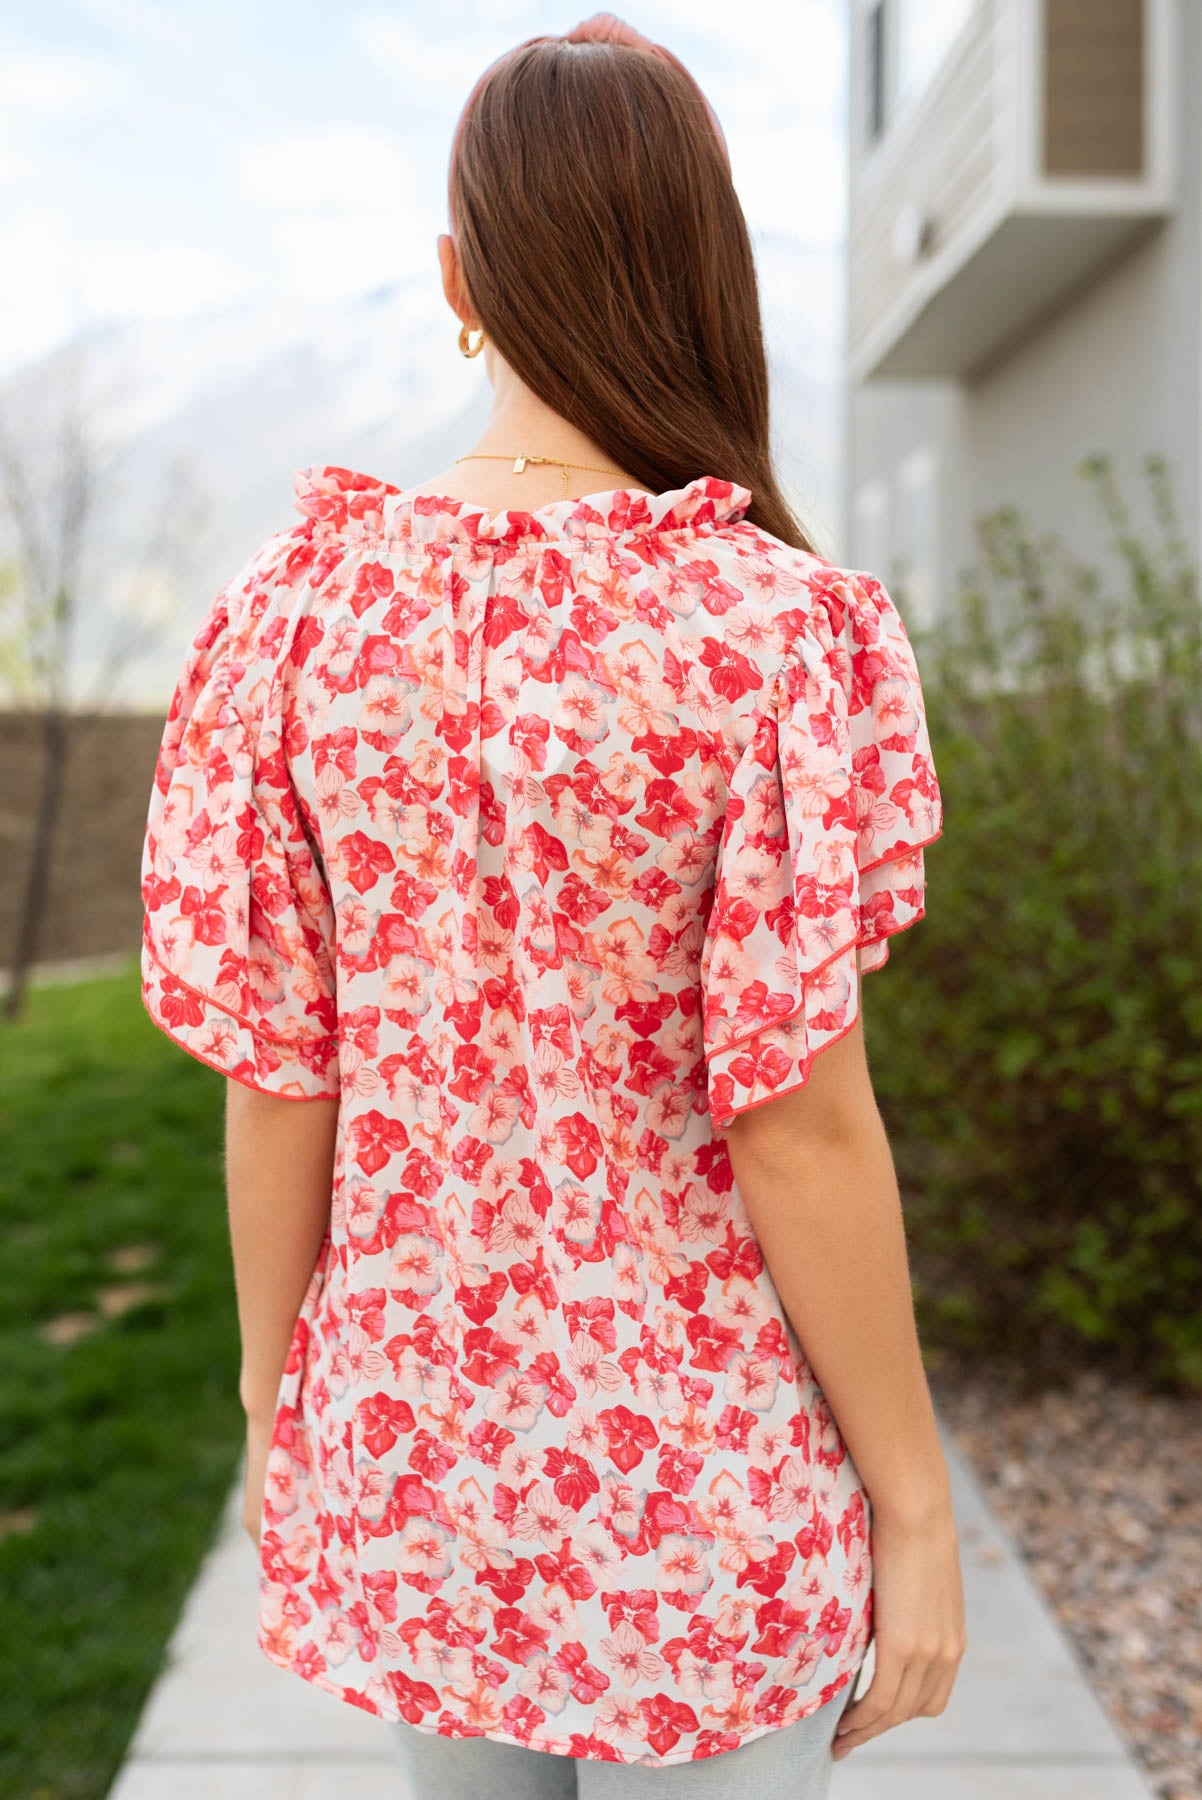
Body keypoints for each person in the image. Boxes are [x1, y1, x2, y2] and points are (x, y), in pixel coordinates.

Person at [139, 12, 965, 1797]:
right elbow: (800, 1126)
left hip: (417, 1452)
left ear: (457, 278)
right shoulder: (769, 635)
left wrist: (282, 1400)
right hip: (703, 1478)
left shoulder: (292, 624)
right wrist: (912, 1501)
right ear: (700, 271)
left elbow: (279, 1076)